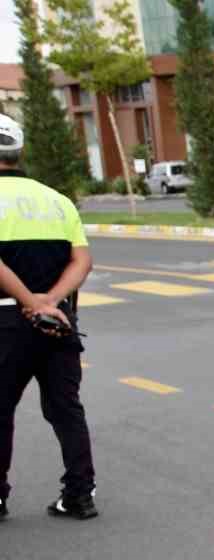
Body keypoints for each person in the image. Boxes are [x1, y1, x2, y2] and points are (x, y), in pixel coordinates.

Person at [0, 114, 97, 522]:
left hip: (5, 323)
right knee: (65, 408)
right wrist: (51, 301)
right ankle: (79, 496)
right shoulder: (57, 200)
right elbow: (83, 260)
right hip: (59, 322)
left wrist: (28, 301)